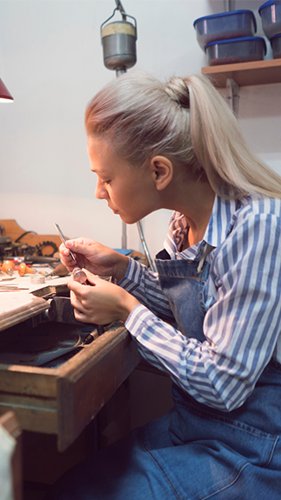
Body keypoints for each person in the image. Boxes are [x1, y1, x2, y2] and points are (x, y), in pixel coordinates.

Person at [45, 72, 281, 499]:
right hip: (193, 424)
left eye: (107, 178)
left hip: (254, 447)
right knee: (68, 483)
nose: (99, 192)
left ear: (158, 171)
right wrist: (123, 271)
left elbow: (223, 382)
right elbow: (198, 312)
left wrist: (126, 311)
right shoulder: (186, 221)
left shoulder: (259, 227)